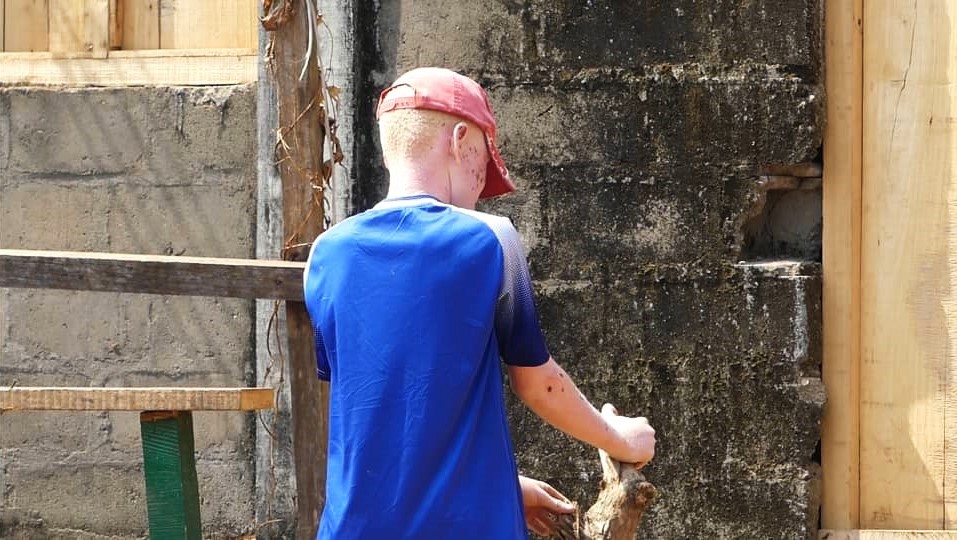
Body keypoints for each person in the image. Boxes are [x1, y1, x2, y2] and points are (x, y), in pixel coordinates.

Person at [303, 67, 656, 539]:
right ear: (460, 138)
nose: (478, 188)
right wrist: (620, 438)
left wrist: (501, 486)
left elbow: (382, 412)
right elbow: (540, 386)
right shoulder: (491, 238)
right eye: (482, 169)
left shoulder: (325, 253)